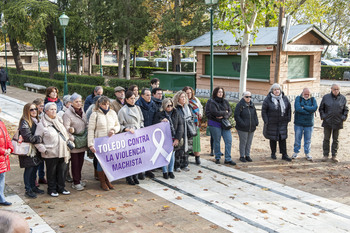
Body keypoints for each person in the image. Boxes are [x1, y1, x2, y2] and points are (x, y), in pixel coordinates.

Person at [34, 102, 71, 197]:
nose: (54, 111)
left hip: (63, 151)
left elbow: (65, 134)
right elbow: (37, 139)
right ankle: (52, 189)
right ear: (46, 111)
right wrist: (43, 149)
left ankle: (61, 187)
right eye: (51, 109)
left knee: (62, 171)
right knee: (51, 172)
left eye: (55, 109)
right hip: (50, 152)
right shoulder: (42, 124)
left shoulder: (59, 121)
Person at [88, 96, 120, 191]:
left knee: (109, 162)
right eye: (103, 104)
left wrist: (114, 130)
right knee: (100, 163)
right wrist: (90, 144)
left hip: (110, 142)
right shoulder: (95, 115)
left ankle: (108, 180)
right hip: (99, 142)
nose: (106, 106)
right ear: (99, 105)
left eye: (107, 104)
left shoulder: (113, 113)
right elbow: (91, 130)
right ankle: (102, 182)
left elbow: (117, 125)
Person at [18, 103, 44, 199]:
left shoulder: (37, 120)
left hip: (35, 150)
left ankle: (33, 187)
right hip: (28, 150)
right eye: (31, 109)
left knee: (34, 168)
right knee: (29, 169)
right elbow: (27, 137)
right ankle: (28, 189)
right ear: (26, 111)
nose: (34, 111)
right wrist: (40, 139)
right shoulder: (24, 122)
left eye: (35, 109)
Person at [63, 93, 88, 191]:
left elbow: (86, 123)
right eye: (76, 102)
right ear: (71, 103)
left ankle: (78, 179)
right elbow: (65, 129)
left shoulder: (82, 111)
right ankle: (76, 182)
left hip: (82, 141)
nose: (78, 103)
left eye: (80, 101)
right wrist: (72, 138)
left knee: (81, 162)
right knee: (75, 163)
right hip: (74, 142)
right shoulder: (67, 114)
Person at [118, 91, 144, 185]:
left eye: (134, 98)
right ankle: (129, 177)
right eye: (131, 99)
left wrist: (141, 128)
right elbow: (119, 125)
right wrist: (126, 129)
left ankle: (135, 175)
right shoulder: (123, 110)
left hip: (137, 133)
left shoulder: (138, 108)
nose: (133, 100)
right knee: (129, 157)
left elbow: (141, 120)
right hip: (128, 135)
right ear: (127, 99)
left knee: (137, 156)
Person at [153, 98, 183, 179]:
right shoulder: (159, 114)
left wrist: (177, 138)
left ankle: (171, 171)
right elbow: (154, 124)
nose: (170, 107)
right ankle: (164, 171)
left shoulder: (176, 113)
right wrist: (161, 121)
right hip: (163, 137)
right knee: (163, 154)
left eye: (171, 105)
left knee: (172, 154)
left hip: (173, 136)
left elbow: (180, 125)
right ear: (164, 106)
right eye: (168, 105)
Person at [262, 83, 292, 161]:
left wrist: (288, 118)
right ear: (272, 91)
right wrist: (266, 121)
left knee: (282, 138)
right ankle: (273, 153)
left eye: (278, 89)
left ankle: (284, 154)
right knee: (273, 138)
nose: (277, 91)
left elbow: (289, 108)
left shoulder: (284, 98)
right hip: (272, 122)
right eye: (275, 90)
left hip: (282, 122)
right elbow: (264, 111)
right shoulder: (268, 99)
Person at [319, 84, 348, 162]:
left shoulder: (343, 98)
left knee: (336, 139)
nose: (336, 91)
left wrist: (343, 117)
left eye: (338, 89)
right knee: (326, 139)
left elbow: (346, 109)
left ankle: (334, 155)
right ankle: (325, 155)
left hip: (338, 122)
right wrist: (323, 116)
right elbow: (321, 108)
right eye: (335, 89)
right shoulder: (326, 97)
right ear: (331, 89)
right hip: (327, 122)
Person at [207, 87, 236, 165]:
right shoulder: (211, 102)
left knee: (228, 140)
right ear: (215, 93)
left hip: (224, 124)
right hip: (214, 124)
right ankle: (217, 157)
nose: (220, 93)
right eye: (219, 92)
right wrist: (224, 112)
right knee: (217, 141)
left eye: (222, 92)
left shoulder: (225, 101)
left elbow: (229, 111)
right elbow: (214, 112)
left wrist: (223, 115)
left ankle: (228, 159)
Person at [135, 88, 158, 179]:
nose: (149, 97)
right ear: (142, 96)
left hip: (151, 131)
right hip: (141, 131)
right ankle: (140, 171)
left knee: (150, 152)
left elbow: (156, 116)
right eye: (147, 95)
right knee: (141, 152)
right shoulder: (138, 105)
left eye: (150, 95)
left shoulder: (153, 105)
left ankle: (149, 170)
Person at [292, 88, 318, 161]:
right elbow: (298, 108)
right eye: (305, 94)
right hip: (298, 123)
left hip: (309, 123)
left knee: (308, 140)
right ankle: (296, 152)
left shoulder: (313, 99)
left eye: (308, 94)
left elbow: (315, 108)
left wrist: (304, 107)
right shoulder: (298, 98)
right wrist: (309, 111)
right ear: (302, 93)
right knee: (297, 139)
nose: (306, 95)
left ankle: (307, 153)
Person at [173, 91, 195, 171]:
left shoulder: (188, 107)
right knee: (179, 149)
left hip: (188, 130)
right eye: (182, 97)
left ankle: (185, 164)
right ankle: (177, 165)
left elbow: (192, 116)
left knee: (187, 148)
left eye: (185, 97)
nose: (184, 99)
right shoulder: (175, 108)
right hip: (180, 130)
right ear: (178, 98)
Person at [234, 91, 259, 162]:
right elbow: (236, 116)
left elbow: (255, 115)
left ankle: (247, 155)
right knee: (243, 142)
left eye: (250, 97)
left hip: (251, 127)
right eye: (247, 97)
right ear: (243, 97)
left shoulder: (252, 105)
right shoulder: (240, 105)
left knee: (249, 142)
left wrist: (256, 122)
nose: (248, 98)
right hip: (242, 128)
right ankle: (242, 156)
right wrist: (242, 123)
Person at [183, 86, 203, 165]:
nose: (189, 94)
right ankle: (186, 158)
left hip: (196, 124)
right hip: (188, 125)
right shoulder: (184, 101)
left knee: (196, 141)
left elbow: (200, 107)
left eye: (190, 93)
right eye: (187, 93)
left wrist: (200, 114)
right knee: (188, 142)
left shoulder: (195, 99)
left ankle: (197, 158)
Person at [0, 118, 14, 206]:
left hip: (3, 157)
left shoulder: (1, 123)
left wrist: (9, 148)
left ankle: (1, 198)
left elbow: (7, 137)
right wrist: (3, 151)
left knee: (1, 178)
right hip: (2, 154)